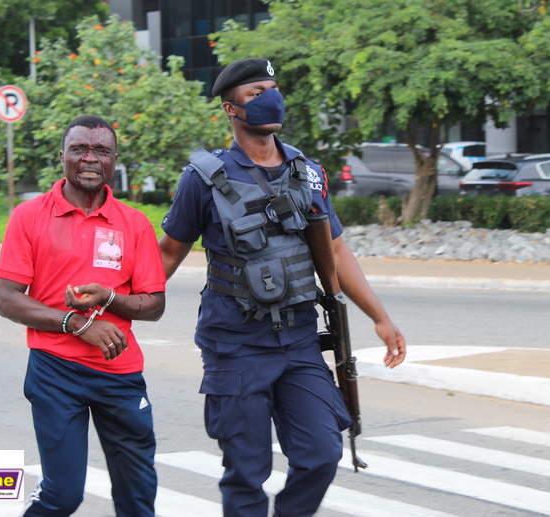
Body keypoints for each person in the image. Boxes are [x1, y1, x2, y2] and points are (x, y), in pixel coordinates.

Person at [158, 58, 406, 516]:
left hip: (298, 341)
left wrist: (380, 316)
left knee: (321, 455)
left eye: (273, 88)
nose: (270, 97)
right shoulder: (202, 178)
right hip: (235, 344)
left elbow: (335, 251)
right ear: (231, 109)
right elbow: (168, 253)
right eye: (256, 92)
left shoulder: (307, 171)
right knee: (246, 472)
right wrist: (120, 301)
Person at [0, 114, 166, 517]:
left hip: (120, 374)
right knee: (62, 495)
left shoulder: (135, 223)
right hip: (54, 372)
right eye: (80, 149)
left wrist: (108, 297)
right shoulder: (29, 216)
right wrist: (79, 323)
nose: (90, 158)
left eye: (101, 151)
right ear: (63, 157)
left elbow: (154, 305)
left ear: (114, 160)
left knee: (138, 497)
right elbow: (7, 299)